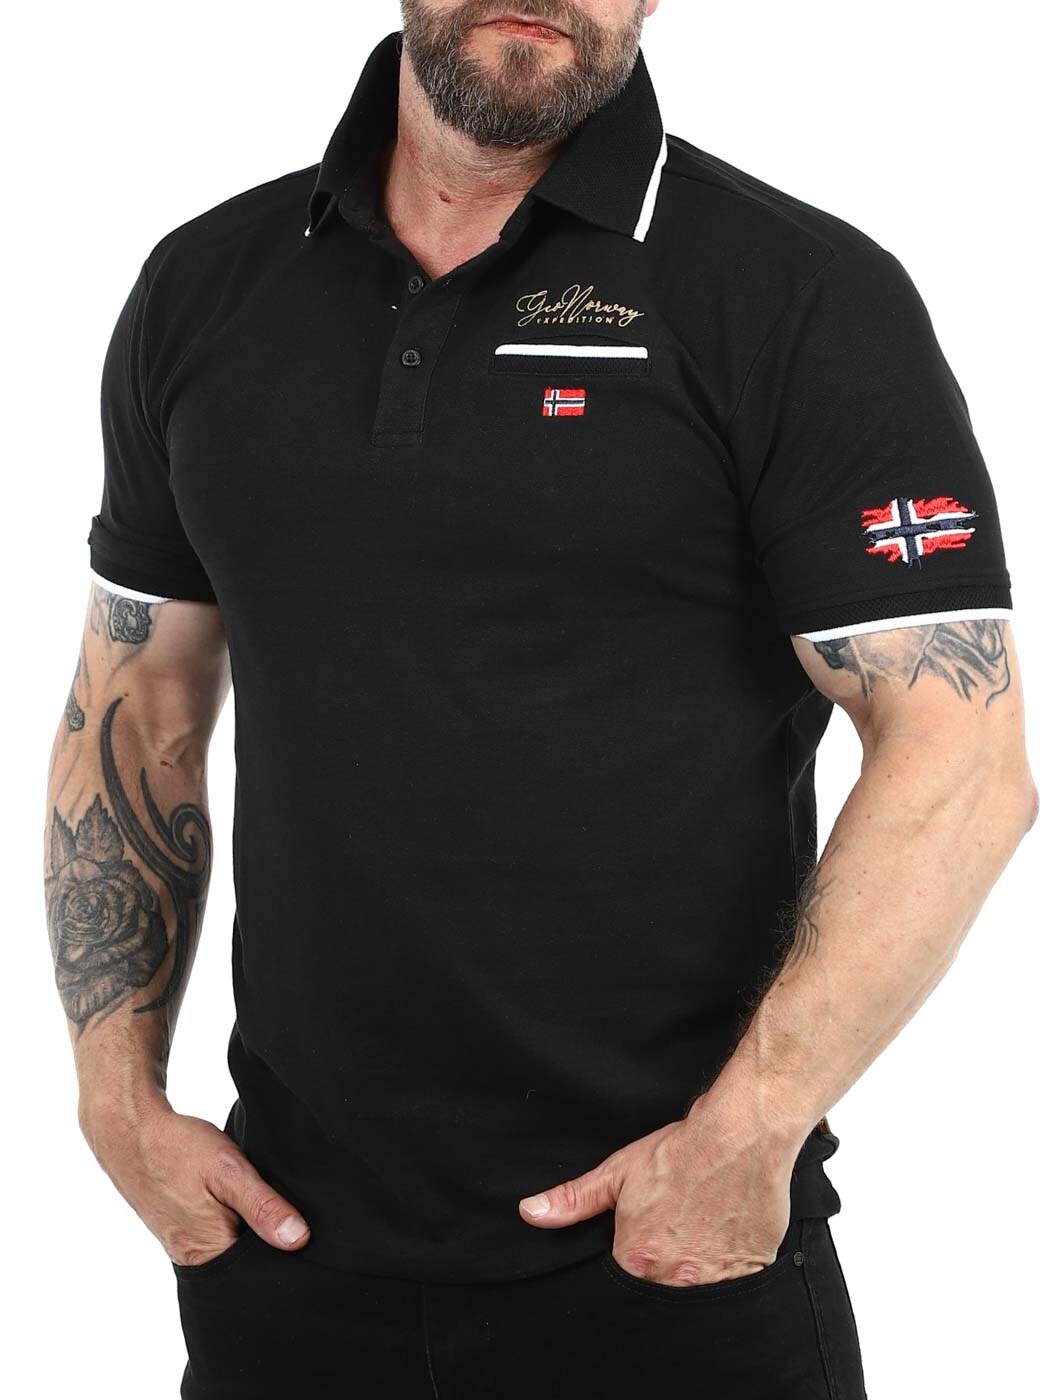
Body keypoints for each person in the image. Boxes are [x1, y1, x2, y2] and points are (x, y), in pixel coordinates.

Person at [45, 2, 1037, 1396]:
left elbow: (960, 751)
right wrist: (114, 1098)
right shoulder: (207, 282)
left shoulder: (796, 292)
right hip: (281, 1255)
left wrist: (745, 1136)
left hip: (670, 1258)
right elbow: (137, 695)